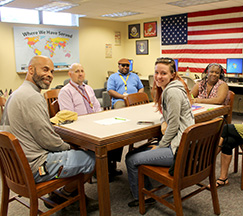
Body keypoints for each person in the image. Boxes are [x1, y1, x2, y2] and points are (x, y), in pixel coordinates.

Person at [1, 55, 97, 211]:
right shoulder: (32, 97)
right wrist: (69, 148)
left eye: (52, 71)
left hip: (15, 166)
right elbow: (47, 140)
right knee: (93, 157)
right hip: (35, 166)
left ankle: (68, 194)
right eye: (45, 69)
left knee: (76, 152)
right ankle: (64, 195)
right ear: (31, 69)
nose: (50, 75)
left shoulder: (15, 94)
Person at [125, 57, 195, 207]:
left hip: (178, 150)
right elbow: (170, 116)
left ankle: (143, 197)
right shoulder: (174, 88)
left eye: (163, 73)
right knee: (134, 153)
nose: (158, 77)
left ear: (172, 75)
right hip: (182, 143)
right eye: (156, 72)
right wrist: (164, 120)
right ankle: (147, 190)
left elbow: (174, 125)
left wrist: (161, 145)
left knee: (131, 159)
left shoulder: (172, 93)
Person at [58, 63, 122, 181]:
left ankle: (109, 165)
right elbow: (69, 116)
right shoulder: (65, 92)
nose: (80, 74)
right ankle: (98, 169)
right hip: (80, 127)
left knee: (118, 134)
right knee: (104, 139)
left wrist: (101, 120)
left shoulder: (88, 88)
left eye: (82, 71)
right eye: (77, 71)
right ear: (70, 74)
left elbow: (97, 107)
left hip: (96, 123)